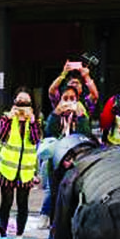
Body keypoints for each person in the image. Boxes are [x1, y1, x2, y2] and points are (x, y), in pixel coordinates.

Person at [41, 85, 93, 228]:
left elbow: (86, 136)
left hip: (75, 163)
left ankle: (71, 227)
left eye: (72, 99)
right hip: (57, 162)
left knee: (73, 197)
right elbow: (48, 134)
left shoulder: (80, 116)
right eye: (65, 98)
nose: (69, 102)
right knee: (55, 195)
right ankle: (54, 227)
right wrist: (55, 114)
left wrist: (82, 117)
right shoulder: (56, 116)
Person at [0, 88, 41, 237]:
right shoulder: (7, 118)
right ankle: (2, 234)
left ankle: (19, 235)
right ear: (14, 103)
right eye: (19, 102)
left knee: (23, 205)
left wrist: (33, 121)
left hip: (25, 171)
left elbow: (35, 140)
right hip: (8, 170)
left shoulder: (35, 120)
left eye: (26, 103)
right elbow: (2, 137)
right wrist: (9, 118)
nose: (22, 106)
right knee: (6, 204)